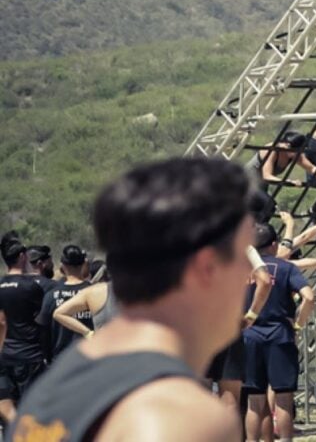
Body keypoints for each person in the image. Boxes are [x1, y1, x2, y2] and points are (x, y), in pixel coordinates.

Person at [13, 158, 255, 441]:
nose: (250, 275)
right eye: (243, 257)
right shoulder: (181, 417)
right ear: (206, 268)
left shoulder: (62, 382)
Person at [242, 223, 315, 442]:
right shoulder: (286, 268)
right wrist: (298, 325)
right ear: (274, 245)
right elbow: (309, 297)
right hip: (280, 334)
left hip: (250, 335)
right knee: (283, 397)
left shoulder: (243, 269)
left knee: (254, 401)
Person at [0, 234, 46, 426]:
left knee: (7, 409)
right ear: (21, 257)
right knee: (31, 411)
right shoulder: (31, 287)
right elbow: (43, 317)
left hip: (4, 356)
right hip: (29, 356)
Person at [37, 245, 91, 363]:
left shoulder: (51, 295)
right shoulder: (94, 293)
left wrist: (46, 357)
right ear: (84, 264)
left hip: (61, 362)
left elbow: (43, 331)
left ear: (62, 266)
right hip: (90, 360)